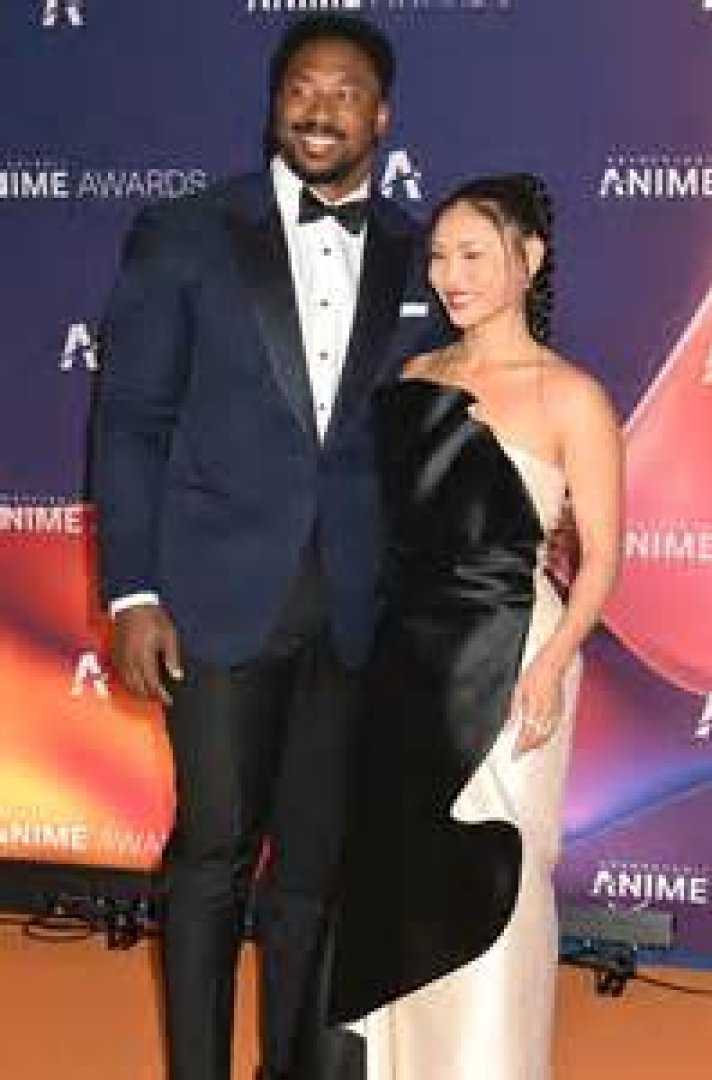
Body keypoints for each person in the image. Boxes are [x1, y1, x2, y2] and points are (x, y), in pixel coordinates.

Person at [92, 15, 449, 1080]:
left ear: (382, 116)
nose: (319, 110)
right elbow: (130, 422)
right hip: (212, 601)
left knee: (314, 875)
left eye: (345, 93)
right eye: (300, 88)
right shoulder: (188, 231)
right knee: (211, 858)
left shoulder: (417, 250)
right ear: (274, 104)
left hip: (355, 614)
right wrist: (133, 593)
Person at [330, 174, 624, 1079]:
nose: (449, 275)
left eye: (472, 254)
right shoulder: (417, 379)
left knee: (500, 872)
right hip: (411, 654)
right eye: (438, 256)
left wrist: (555, 661)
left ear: (528, 258)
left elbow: (602, 558)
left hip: (516, 650)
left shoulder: (572, 396)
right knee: (405, 869)